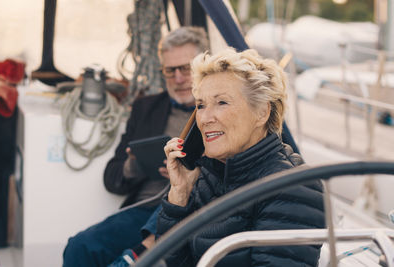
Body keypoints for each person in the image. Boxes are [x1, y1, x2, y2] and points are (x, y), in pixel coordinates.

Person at [157, 48, 325, 267]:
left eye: (222, 102)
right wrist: (179, 195)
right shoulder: (207, 174)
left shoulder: (294, 186)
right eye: (200, 105)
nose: (205, 118)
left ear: (262, 113)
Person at [62, 26, 210, 267]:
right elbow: (111, 178)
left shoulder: (216, 111)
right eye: (170, 71)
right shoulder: (145, 108)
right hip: (145, 208)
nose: (179, 79)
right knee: (80, 247)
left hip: (192, 212)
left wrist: (185, 174)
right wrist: (134, 165)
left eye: (186, 69)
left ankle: (135, 256)